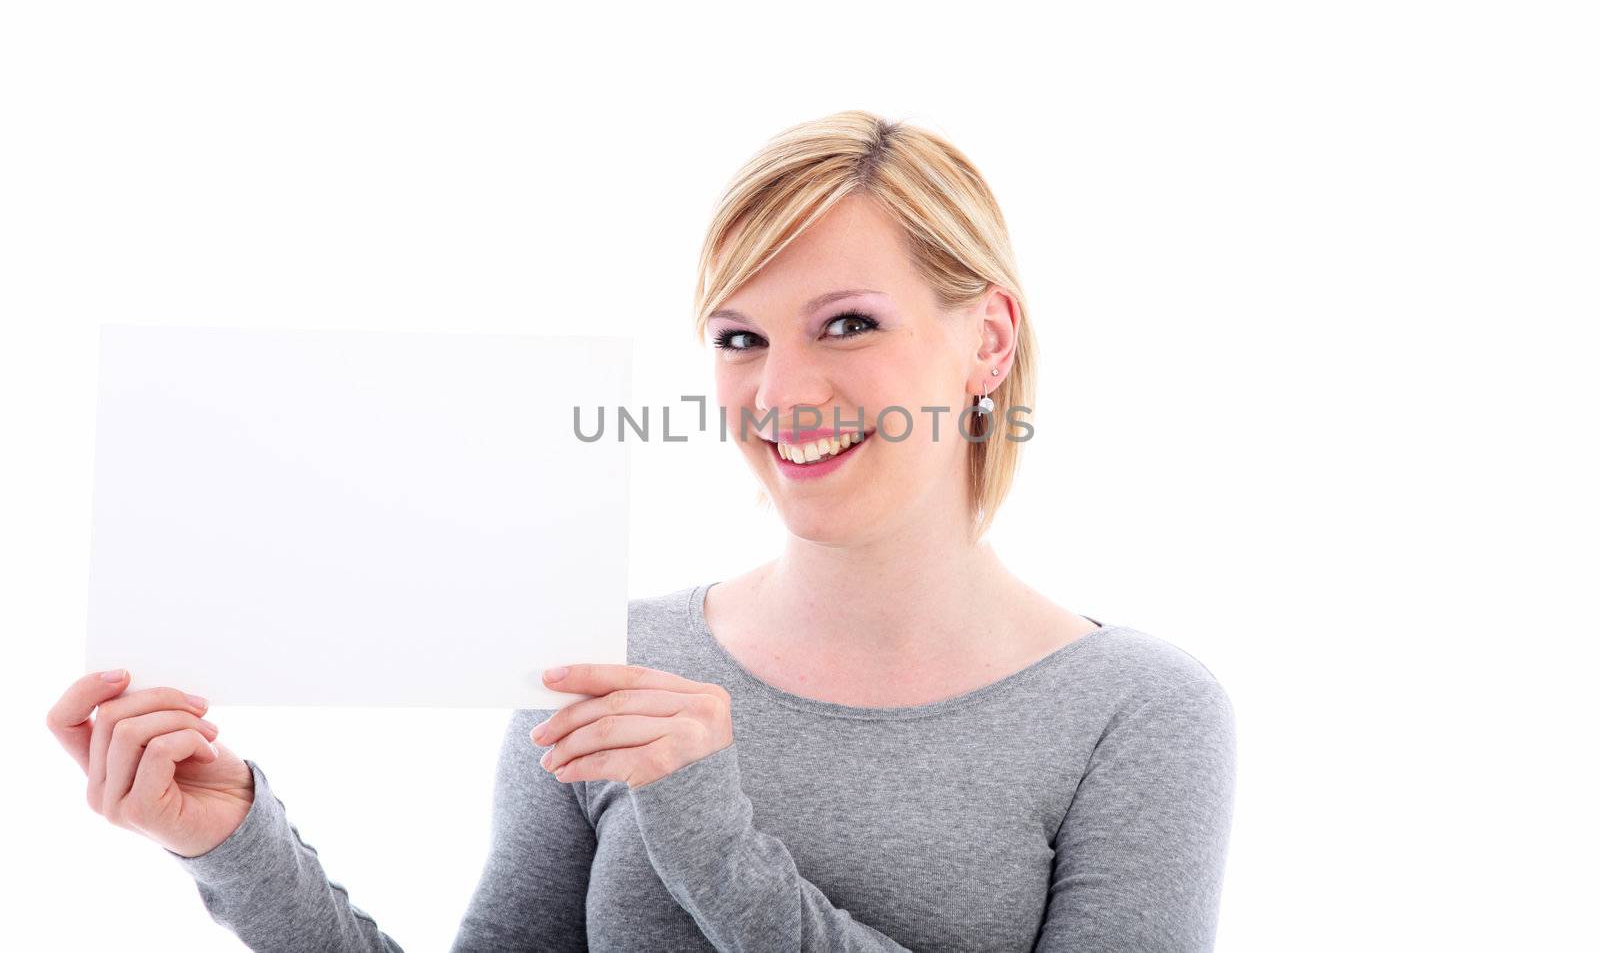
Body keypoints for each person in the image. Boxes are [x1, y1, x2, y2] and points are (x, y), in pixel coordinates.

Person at [47, 110, 1237, 951]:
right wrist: (235, 841)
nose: (779, 394)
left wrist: (717, 845)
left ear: (987, 341)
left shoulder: (1134, 713)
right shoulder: (603, 661)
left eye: (847, 323)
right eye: (739, 337)